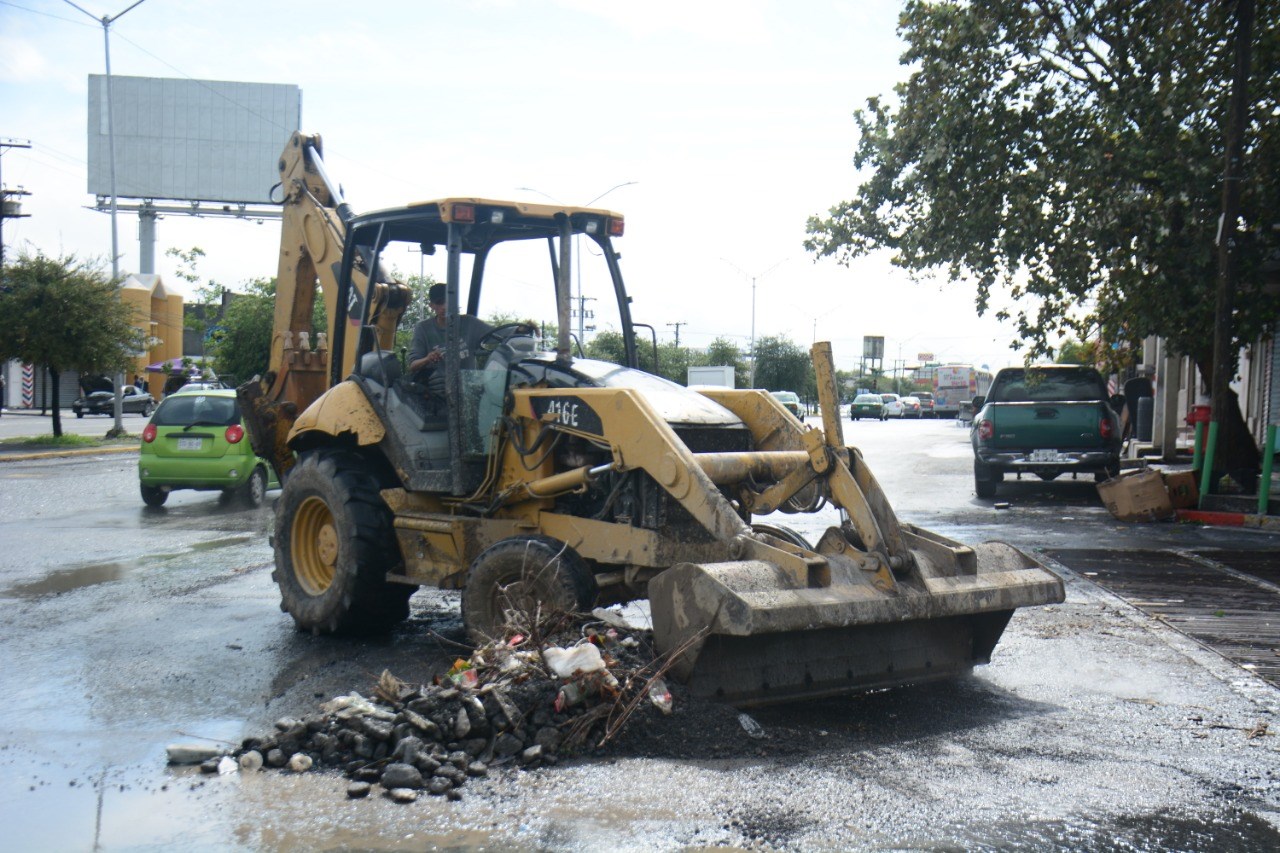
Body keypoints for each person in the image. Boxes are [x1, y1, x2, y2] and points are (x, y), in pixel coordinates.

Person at [407, 283, 494, 394]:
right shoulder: (423, 329)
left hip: (467, 394)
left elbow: (500, 334)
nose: (445, 307)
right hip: (437, 396)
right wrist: (428, 359)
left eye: (449, 302)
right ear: (431, 305)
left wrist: (519, 330)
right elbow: (413, 365)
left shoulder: (470, 324)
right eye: (440, 302)